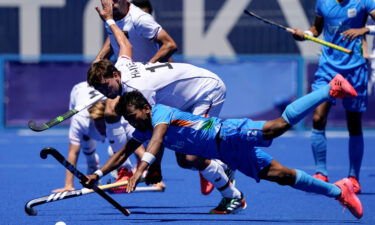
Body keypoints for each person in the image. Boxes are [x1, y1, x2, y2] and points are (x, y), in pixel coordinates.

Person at [85, 75, 363, 218]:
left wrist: (140, 170)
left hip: (227, 133)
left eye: (135, 118)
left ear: (146, 108)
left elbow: (157, 141)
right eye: (129, 120)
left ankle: (330, 88)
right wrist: (97, 175)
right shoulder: (143, 126)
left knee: (276, 127)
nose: (135, 124)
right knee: (282, 176)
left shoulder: (160, 115)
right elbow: (121, 153)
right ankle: (340, 191)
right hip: (226, 152)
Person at [87, 0, 243, 214]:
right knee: (184, 160)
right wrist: (110, 21)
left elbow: (155, 136)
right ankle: (223, 164)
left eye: (107, 87)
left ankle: (233, 194)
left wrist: (152, 167)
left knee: (192, 155)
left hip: (206, 91)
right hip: (183, 98)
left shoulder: (139, 92)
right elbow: (125, 44)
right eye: (102, 91)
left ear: (115, 76)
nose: (107, 94)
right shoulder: (122, 66)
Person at [292, 0, 375, 194]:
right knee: (318, 117)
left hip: (355, 69)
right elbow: (316, 30)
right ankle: (321, 174)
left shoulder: (364, 1)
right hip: (327, 69)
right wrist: (304, 35)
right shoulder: (323, 3)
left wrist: (366, 30)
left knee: (353, 123)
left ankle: (353, 178)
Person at [52, 81, 162, 193]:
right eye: (98, 125)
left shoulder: (120, 118)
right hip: (80, 98)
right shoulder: (79, 120)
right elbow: (73, 152)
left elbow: (135, 145)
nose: (102, 129)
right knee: (85, 141)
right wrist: (68, 185)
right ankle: (92, 166)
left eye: (104, 125)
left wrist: (152, 170)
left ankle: (125, 171)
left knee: (119, 146)